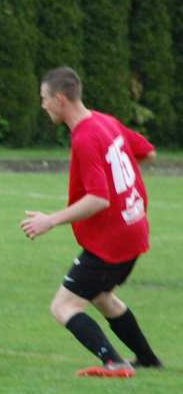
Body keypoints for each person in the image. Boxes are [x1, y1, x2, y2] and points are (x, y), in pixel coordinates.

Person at [20, 66, 163, 378]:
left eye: (44, 98)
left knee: (64, 307)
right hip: (134, 229)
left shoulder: (85, 137)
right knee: (101, 296)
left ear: (60, 99)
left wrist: (51, 220)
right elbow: (147, 152)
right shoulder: (105, 121)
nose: (42, 105)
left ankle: (114, 363)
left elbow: (99, 199)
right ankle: (148, 359)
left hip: (110, 241)